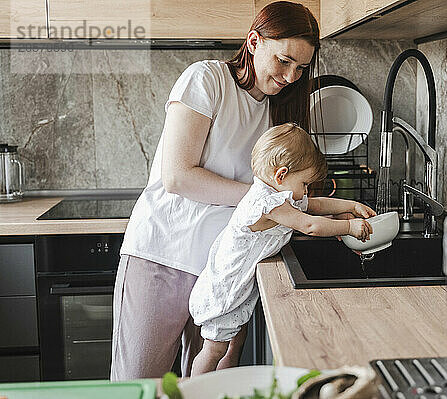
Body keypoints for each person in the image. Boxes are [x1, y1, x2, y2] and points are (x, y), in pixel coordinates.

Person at [111, 1, 321, 380]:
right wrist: (263, 200)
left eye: (301, 67)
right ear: (254, 42)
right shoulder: (206, 79)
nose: (292, 76)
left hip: (225, 271)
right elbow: (178, 176)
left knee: (209, 386)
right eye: (285, 60)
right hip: (164, 255)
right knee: (139, 384)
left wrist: (335, 209)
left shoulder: (279, 113)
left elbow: (287, 195)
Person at [189, 123, 375, 375]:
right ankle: (192, 392)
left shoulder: (276, 192)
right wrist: (349, 227)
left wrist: (350, 205)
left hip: (238, 285)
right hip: (225, 288)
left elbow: (315, 206)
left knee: (234, 344)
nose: (306, 191)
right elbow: (309, 224)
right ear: (281, 175)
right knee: (214, 350)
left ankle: (219, 389)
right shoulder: (266, 202)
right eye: (305, 183)